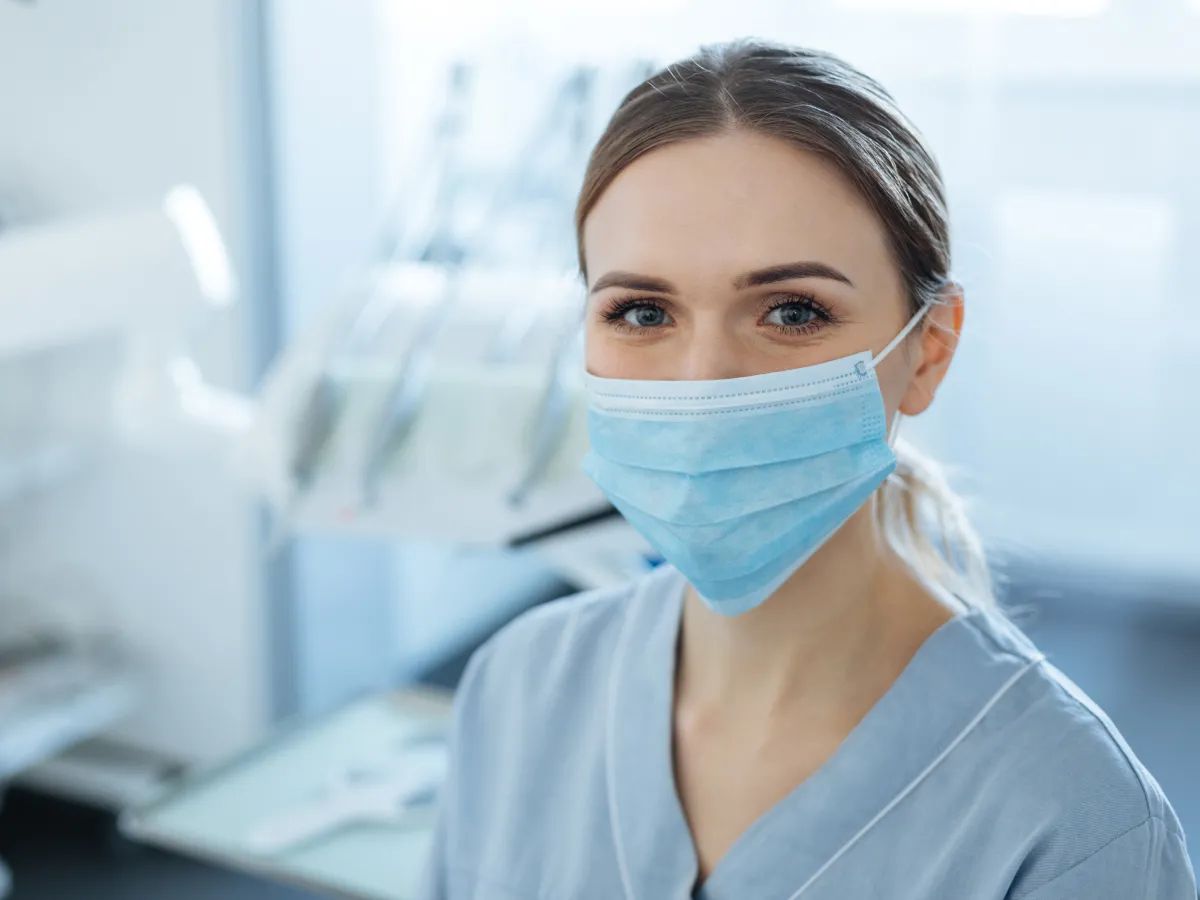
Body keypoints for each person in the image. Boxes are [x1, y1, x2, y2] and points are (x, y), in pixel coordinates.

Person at [419, 41, 1196, 899]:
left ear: (929, 351)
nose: (701, 381)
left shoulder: (1072, 825)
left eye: (793, 311)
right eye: (641, 310)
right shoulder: (519, 689)